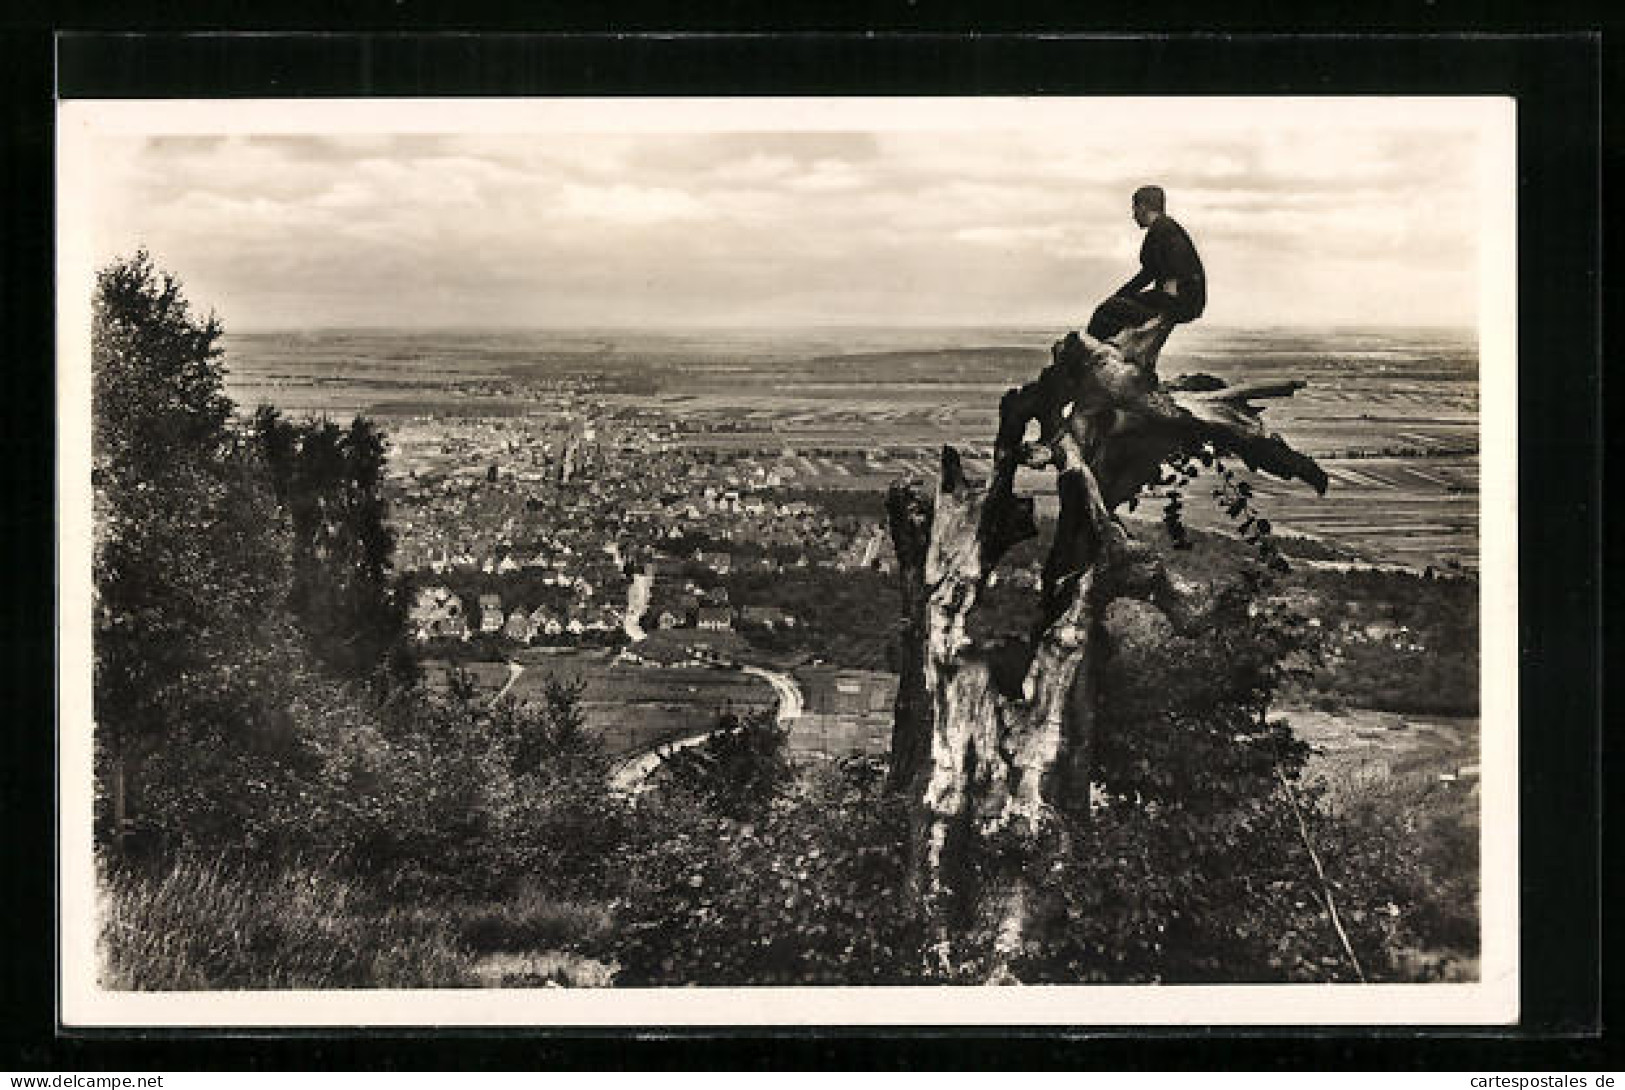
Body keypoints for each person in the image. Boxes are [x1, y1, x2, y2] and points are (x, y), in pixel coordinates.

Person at [1086, 185, 1206, 342]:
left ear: (1143, 207)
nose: (1133, 215)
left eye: (1134, 209)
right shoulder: (1163, 228)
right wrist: (1120, 295)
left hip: (1177, 304)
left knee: (1105, 311)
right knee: (1113, 306)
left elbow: (1174, 271)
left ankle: (1092, 348)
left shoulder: (1164, 230)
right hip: (1183, 303)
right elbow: (1148, 274)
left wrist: (1163, 307)